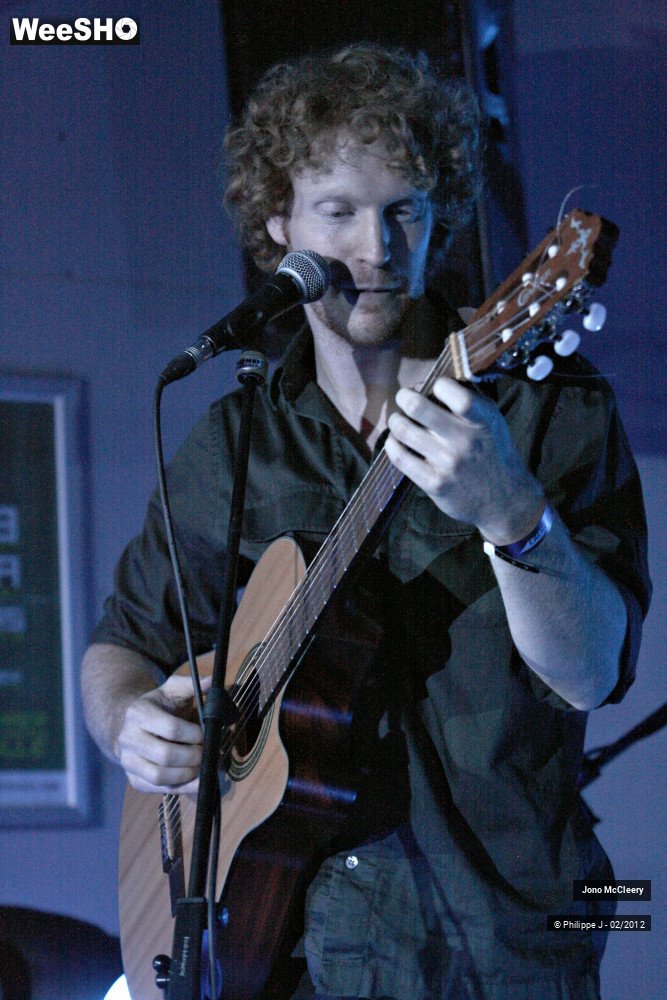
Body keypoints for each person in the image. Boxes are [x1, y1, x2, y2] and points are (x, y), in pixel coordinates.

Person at [81, 44, 650, 999]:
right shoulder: (237, 439)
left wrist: (514, 517)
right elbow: (120, 647)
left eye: (403, 213)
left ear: (439, 222)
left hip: (503, 941)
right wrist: (129, 726)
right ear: (278, 228)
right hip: (276, 944)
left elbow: (592, 673)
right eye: (339, 213)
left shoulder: (549, 409)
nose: (377, 250)